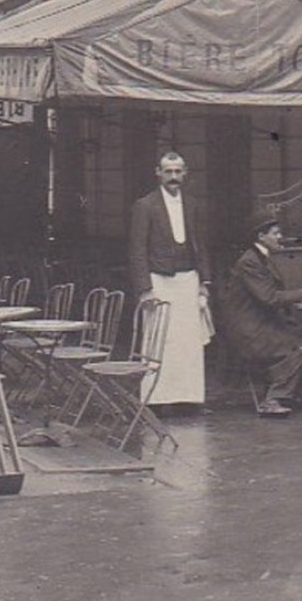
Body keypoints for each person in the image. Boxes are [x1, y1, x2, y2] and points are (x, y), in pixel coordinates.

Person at [127, 151, 213, 415]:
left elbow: (202, 246)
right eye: (168, 171)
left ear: (185, 173)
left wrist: (205, 281)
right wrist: (144, 289)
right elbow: (137, 250)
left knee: (188, 341)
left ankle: (188, 399)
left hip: (189, 279)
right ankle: (156, 399)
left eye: (178, 171)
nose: (173, 177)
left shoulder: (194, 204)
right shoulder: (145, 205)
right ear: (158, 173)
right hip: (159, 280)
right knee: (159, 339)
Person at [217, 216, 302, 417]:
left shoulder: (261, 258)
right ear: (261, 236)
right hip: (250, 332)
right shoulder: (250, 261)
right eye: (276, 233)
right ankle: (273, 399)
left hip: (260, 325)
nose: (280, 237)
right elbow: (269, 297)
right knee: (298, 346)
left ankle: (300, 395)